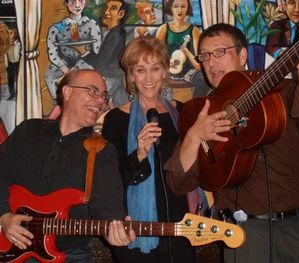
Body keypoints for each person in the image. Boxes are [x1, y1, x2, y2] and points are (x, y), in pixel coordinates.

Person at [164, 22, 299, 262]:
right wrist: (195, 135)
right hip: (245, 234)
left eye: (220, 52)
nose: (211, 62)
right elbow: (178, 181)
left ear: (242, 54)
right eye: (205, 56)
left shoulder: (276, 89)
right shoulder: (200, 112)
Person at [0, 69, 135, 262]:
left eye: (104, 96)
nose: (100, 101)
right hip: (10, 244)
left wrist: (116, 230)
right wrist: (4, 217)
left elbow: (108, 207)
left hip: (69, 255)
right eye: (92, 91)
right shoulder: (29, 131)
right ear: (67, 91)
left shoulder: (102, 151)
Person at [102, 36, 196, 263]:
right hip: (134, 223)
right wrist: (140, 153)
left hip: (179, 220)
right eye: (140, 70)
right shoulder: (116, 119)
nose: (149, 78)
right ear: (131, 75)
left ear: (165, 72)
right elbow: (109, 181)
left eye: (155, 69)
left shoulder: (182, 114)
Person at [45, 0, 101, 102]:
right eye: (72, 1)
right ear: (66, 4)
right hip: (64, 63)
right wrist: (65, 69)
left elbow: (97, 51)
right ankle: (60, 104)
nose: (77, 5)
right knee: (49, 75)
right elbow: (52, 52)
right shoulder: (56, 28)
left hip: (85, 61)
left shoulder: (92, 25)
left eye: (80, 0)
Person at [75, 0, 129, 107]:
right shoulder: (113, 32)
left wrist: (84, 52)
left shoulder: (116, 34)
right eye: (106, 8)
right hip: (114, 76)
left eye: (113, 8)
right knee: (120, 105)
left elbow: (100, 64)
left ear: (121, 14)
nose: (106, 12)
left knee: (92, 102)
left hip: (110, 76)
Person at [156, 0, 211, 97]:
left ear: (187, 8)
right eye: (176, 6)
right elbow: (155, 55)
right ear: (171, 8)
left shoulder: (194, 30)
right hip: (167, 70)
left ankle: (195, 106)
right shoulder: (163, 29)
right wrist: (166, 62)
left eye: (183, 6)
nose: (179, 10)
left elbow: (198, 65)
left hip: (188, 73)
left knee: (204, 78)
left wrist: (186, 51)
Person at [6, 27, 20, 101]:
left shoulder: (19, 44)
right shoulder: (8, 44)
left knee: (19, 79)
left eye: (11, 33)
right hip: (10, 63)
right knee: (10, 80)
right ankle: (12, 94)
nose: (10, 35)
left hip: (18, 63)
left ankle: (19, 94)